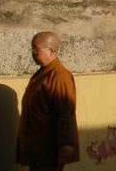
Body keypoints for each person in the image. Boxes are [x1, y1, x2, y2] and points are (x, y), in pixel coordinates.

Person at [16, 31, 80, 171]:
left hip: (49, 148)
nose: (33, 53)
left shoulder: (59, 76)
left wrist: (67, 144)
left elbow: (65, 112)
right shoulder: (42, 74)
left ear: (51, 51)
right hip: (38, 147)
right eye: (32, 49)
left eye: (36, 50)